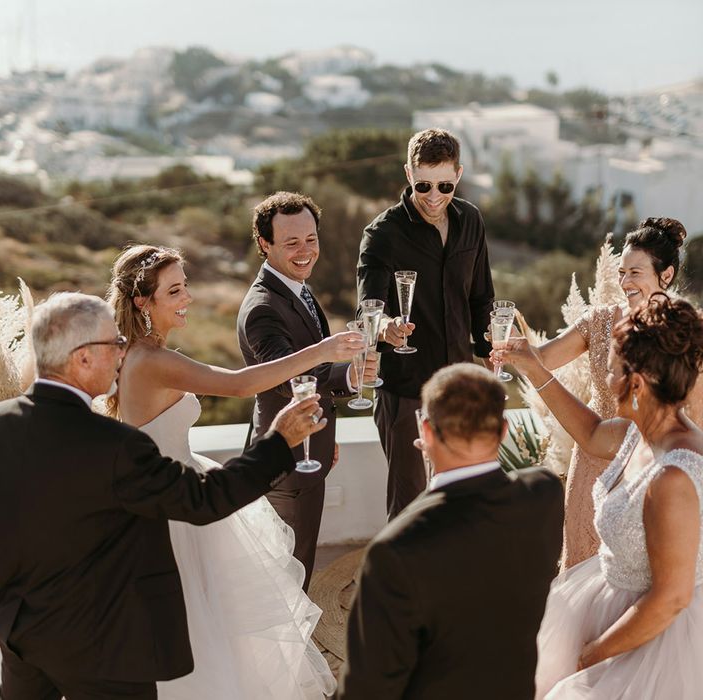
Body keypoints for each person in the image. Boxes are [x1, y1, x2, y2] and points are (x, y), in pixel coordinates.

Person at [0, 291, 324, 700]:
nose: (123, 352)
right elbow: (203, 500)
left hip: (22, 635)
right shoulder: (115, 445)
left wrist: (11, 599)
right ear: (83, 357)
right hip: (108, 647)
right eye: (115, 343)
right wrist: (277, 442)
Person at [110, 243, 364, 699]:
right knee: (200, 621)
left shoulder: (138, 353)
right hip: (175, 505)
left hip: (179, 485)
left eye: (184, 286)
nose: (186, 298)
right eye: (173, 291)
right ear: (142, 302)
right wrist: (322, 351)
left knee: (208, 620)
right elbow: (241, 384)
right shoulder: (152, 361)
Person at [498, 295, 703, 698]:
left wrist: (590, 657)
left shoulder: (676, 474)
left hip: (656, 640)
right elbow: (590, 433)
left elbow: (671, 597)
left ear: (637, 384)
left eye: (611, 371)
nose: (606, 382)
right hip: (608, 602)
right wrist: (533, 366)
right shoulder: (638, 435)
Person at [337, 363, 564, 700]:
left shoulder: (395, 548)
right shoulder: (544, 495)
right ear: (503, 430)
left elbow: (367, 691)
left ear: (426, 432)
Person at [520, 217, 702, 569]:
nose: (623, 282)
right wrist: (507, 347)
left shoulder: (688, 331)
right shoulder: (602, 320)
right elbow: (543, 359)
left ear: (666, 275)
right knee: (581, 568)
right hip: (593, 464)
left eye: (635, 272)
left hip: (655, 467)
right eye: (621, 272)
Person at [357, 127, 495, 520]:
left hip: (461, 386)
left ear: (459, 175)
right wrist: (386, 328)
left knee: (462, 497)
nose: (434, 197)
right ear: (408, 174)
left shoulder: (471, 220)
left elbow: (482, 296)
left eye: (445, 186)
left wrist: (491, 358)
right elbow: (368, 310)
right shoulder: (382, 234)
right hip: (406, 391)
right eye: (424, 185)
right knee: (411, 507)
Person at [237, 191, 373, 589]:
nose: (305, 251)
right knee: (286, 577)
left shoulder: (299, 287)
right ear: (264, 244)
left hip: (309, 447)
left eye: (311, 239)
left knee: (301, 564)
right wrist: (348, 376)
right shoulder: (262, 308)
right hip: (286, 460)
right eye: (291, 242)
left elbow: (314, 366)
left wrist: (327, 428)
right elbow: (285, 379)